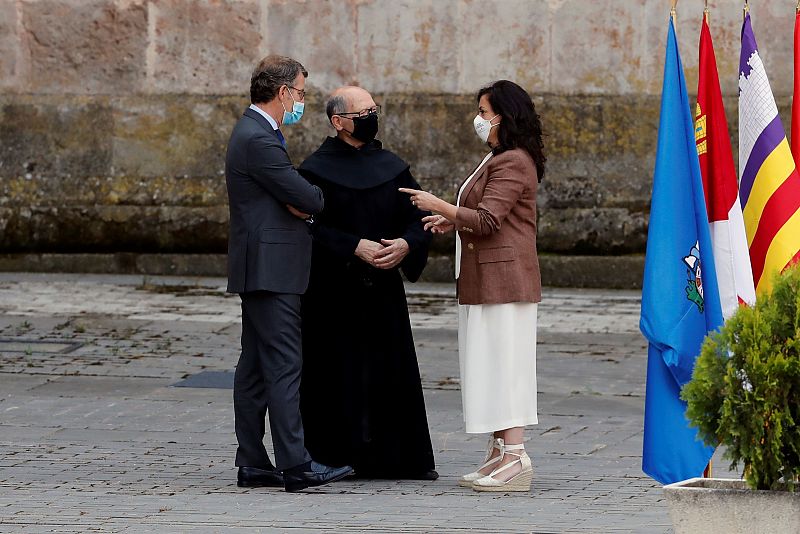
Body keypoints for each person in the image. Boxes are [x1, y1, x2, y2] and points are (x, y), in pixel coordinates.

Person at [399, 80, 545, 492]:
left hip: (506, 281)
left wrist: (439, 205)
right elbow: (482, 214)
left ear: (504, 116)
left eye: (483, 112)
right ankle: (499, 451)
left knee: (507, 365)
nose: (478, 119)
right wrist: (452, 219)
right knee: (489, 362)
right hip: (484, 279)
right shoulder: (497, 157)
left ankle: (515, 455)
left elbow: (489, 219)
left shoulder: (514, 160)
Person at [225, 55, 354, 492]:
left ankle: (253, 462)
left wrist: (297, 199)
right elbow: (309, 199)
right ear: (282, 92)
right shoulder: (259, 138)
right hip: (271, 268)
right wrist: (308, 198)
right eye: (300, 92)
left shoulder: (256, 133)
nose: (301, 100)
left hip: (262, 266)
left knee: (255, 367)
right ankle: (296, 464)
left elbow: (293, 198)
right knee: (283, 364)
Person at [296, 86, 438, 480]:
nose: (372, 118)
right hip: (332, 292)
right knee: (336, 374)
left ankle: (398, 459)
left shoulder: (392, 166)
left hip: (383, 292)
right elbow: (307, 226)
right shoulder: (314, 170)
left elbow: (420, 217)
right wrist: (352, 246)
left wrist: (407, 245)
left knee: (389, 373)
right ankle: (335, 455)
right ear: (338, 122)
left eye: (374, 109)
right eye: (363, 113)